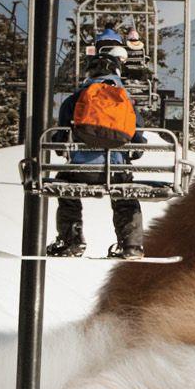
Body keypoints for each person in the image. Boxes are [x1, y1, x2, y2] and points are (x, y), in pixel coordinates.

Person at [49, 31, 145, 258]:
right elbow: (138, 145)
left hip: (81, 172)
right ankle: (131, 245)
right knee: (125, 194)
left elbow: (60, 141)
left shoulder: (75, 99)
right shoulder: (125, 100)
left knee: (65, 186)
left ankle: (71, 240)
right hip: (117, 172)